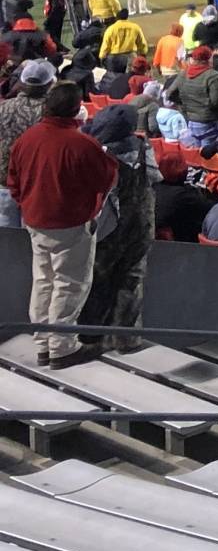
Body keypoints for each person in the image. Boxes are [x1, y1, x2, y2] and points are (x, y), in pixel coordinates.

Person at [8, 83, 120, 364]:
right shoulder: (82, 143)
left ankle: (43, 341)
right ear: (75, 109)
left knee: (44, 280)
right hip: (69, 222)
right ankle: (62, 346)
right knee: (69, 283)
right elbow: (107, 179)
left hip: (35, 220)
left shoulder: (28, 138)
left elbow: (13, 182)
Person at [78, 105, 154, 348]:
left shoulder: (99, 153)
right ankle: (125, 338)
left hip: (108, 227)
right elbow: (156, 177)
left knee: (99, 279)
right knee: (130, 280)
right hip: (139, 224)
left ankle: (90, 335)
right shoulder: (144, 148)